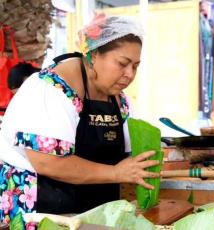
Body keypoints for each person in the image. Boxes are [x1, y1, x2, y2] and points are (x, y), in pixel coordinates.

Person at [0, 13, 160, 227]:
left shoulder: (119, 101)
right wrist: (115, 172)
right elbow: (47, 161)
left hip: (88, 210)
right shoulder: (52, 90)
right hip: (38, 207)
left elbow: (129, 156)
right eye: (123, 63)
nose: (130, 74)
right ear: (94, 55)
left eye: (136, 66)